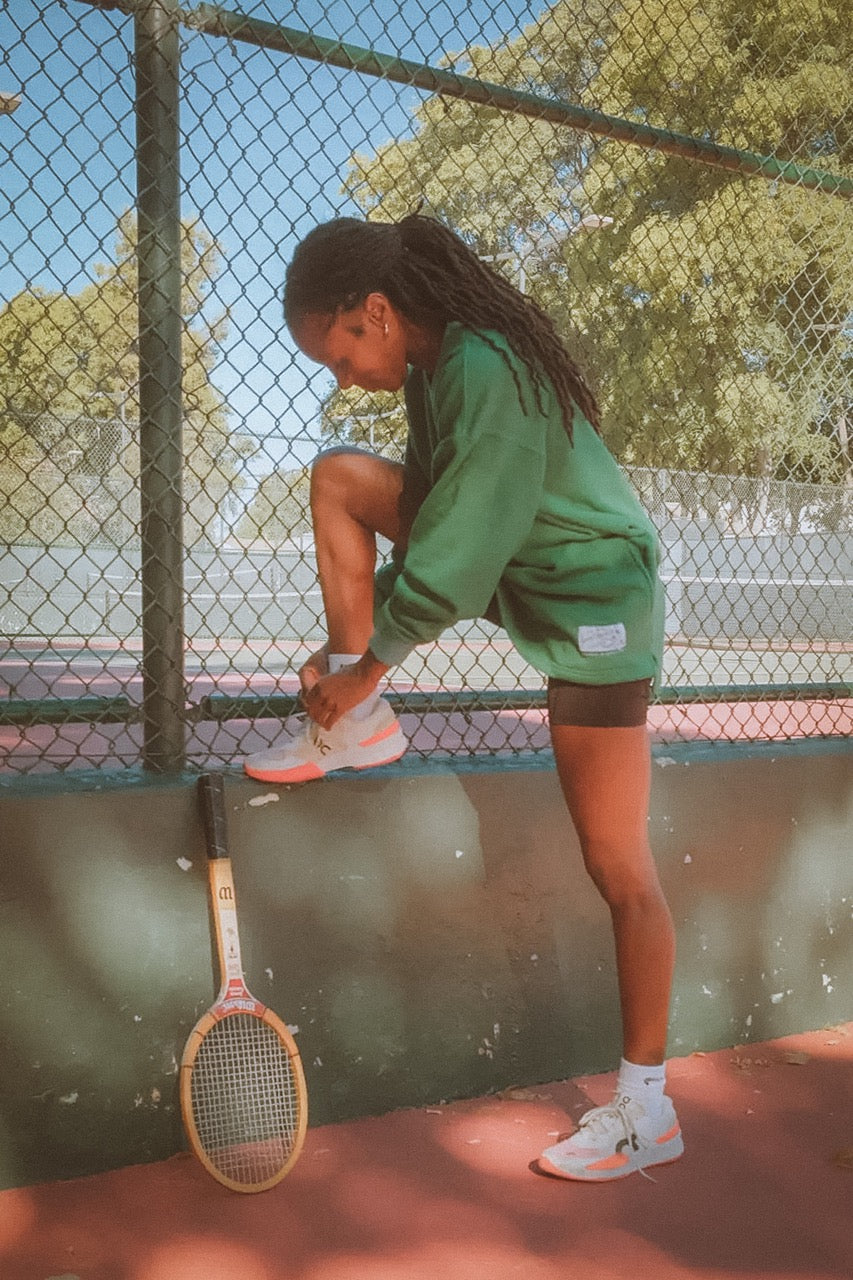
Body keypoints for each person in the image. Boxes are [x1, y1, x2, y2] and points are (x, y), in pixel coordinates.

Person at [244, 212, 682, 1181]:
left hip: (591, 595)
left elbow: (463, 541)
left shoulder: (485, 365)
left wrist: (371, 659)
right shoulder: (437, 371)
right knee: (340, 476)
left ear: (377, 310)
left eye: (340, 350)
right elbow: (439, 518)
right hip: (517, 562)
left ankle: (646, 1106)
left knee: (617, 862)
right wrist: (348, 662)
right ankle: (357, 727)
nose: (342, 376)